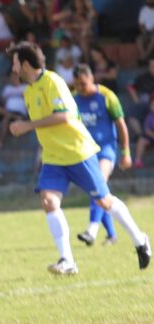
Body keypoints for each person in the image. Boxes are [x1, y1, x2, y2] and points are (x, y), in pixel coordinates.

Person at [6, 41, 151, 275]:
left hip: (77, 153)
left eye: (14, 64)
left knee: (105, 201)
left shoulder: (53, 82)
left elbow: (63, 116)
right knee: (48, 201)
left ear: (24, 64)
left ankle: (140, 239)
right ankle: (67, 261)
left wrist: (27, 126)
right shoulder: (30, 91)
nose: (13, 69)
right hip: (54, 158)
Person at [72, 65, 130, 247]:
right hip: (86, 152)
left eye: (83, 83)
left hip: (106, 150)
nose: (81, 87)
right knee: (99, 192)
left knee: (99, 184)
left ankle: (92, 229)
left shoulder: (107, 97)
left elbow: (121, 124)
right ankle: (112, 235)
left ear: (91, 78)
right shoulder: (73, 100)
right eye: (77, 84)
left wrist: (125, 152)